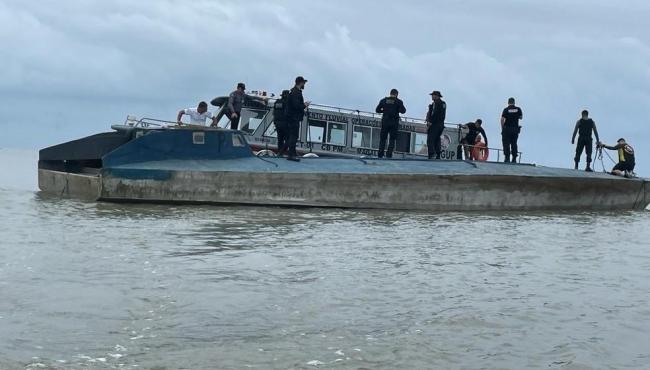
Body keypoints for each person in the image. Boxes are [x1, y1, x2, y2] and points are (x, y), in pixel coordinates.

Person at [375, 89, 406, 158]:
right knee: (392, 139)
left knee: (383, 139)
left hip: (385, 122)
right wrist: (397, 109)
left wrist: (384, 110)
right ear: (396, 94)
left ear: (390, 93)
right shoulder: (399, 102)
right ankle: (389, 155)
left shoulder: (383, 100)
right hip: (394, 123)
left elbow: (377, 110)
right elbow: (403, 111)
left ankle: (380, 154)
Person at [286, 76, 311, 162]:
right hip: (293, 118)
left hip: (293, 117)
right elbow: (296, 106)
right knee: (293, 136)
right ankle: (291, 155)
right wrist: (305, 105)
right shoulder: (296, 92)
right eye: (304, 83)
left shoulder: (294, 91)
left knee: (294, 136)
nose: (304, 84)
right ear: (300, 83)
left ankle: (292, 153)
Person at [501, 97, 523, 163]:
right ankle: (514, 158)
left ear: (508, 102)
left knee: (506, 144)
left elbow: (502, 119)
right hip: (515, 129)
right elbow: (521, 117)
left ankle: (507, 158)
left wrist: (502, 128)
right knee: (514, 143)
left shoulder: (506, 109)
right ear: (514, 102)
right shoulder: (518, 109)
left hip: (507, 129)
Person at [425, 91, 446, 159]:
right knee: (437, 140)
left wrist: (430, 122)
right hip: (440, 125)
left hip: (435, 124)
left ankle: (432, 154)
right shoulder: (441, 103)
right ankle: (438, 155)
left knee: (430, 140)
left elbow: (436, 114)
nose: (432, 97)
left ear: (437, 96)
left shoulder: (437, 103)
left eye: (433, 95)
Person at [273, 90, 290, 156]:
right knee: (288, 139)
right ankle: (281, 152)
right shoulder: (287, 103)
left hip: (277, 123)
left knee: (280, 139)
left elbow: (274, 112)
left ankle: (279, 152)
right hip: (284, 123)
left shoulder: (277, 102)